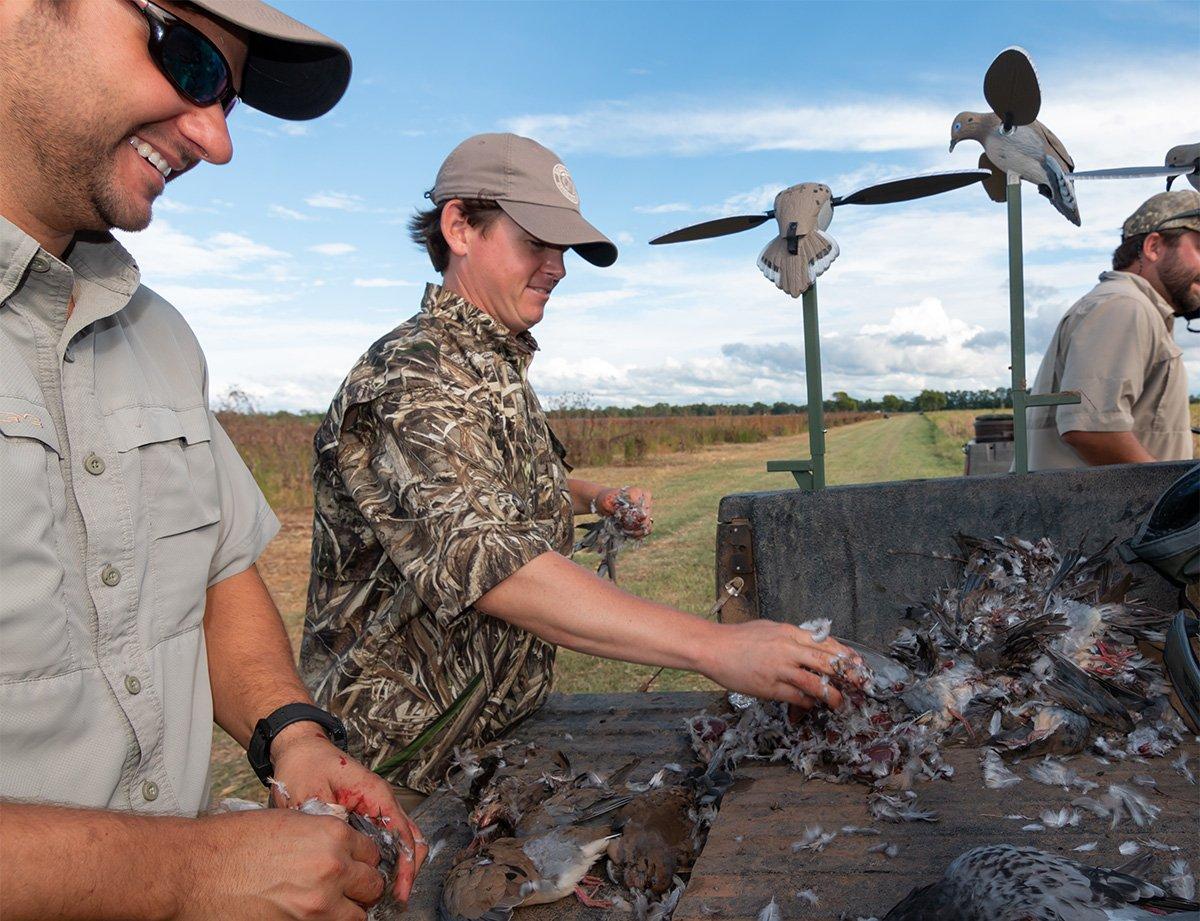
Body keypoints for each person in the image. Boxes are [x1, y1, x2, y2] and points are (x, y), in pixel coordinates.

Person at [0, 2, 427, 917]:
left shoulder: (159, 336)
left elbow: (218, 573)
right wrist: (187, 874)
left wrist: (291, 734)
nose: (215, 140)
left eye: (229, 101)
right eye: (193, 65)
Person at [299, 132, 863, 804]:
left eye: (563, 248)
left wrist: (597, 493)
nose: (558, 266)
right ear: (459, 227)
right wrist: (717, 647)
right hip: (398, 771)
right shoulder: (409, 376)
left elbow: (490, 484)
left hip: (490, 735)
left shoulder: (488, 365)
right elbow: (493, 564)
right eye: (535, 240)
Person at [1028, 190, 1200, 470]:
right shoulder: (1124, 307)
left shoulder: (1136, 309)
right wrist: (1172, 495)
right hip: (1109, 512)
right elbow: (1091, 430)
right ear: (1154, 247)